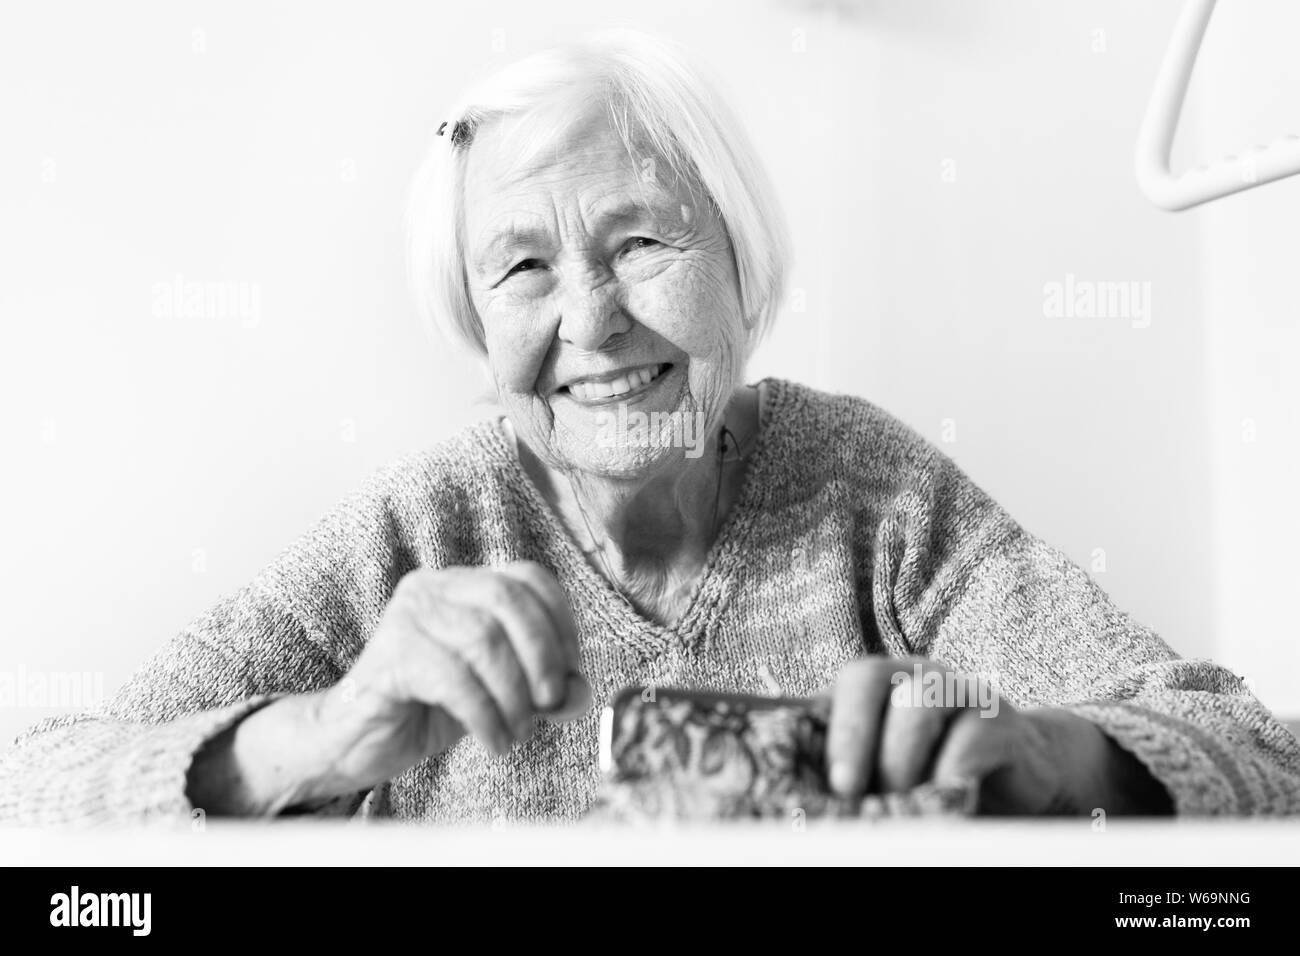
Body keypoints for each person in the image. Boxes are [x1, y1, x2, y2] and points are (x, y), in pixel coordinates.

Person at [3, 30, 1296, 825]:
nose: (593, 319)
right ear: (472, 323)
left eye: (641, 241)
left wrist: (1042, 752)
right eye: (520, 271)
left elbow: (1255, 751)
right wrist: (322, 733)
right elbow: (36, 788)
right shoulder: (421, 531)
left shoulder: (874, 495)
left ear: (744, 264)